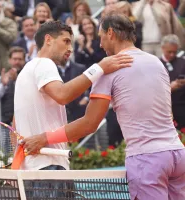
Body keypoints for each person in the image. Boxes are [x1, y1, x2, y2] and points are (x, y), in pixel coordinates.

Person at [23, 14, 185, 200]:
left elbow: (90, 124)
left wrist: (45, 138)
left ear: (110, 33)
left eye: (100, 36)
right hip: (177, 155)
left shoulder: (107, 70)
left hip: (147, 160)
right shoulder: (157, 62)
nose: (100, 44)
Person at [13, 20, 133, 171]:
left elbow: (15, 125)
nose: (70, 48)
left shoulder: (25, 71)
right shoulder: (44, 63)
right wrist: (99, 68)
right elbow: (62, 95)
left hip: (31, 168)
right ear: (48, 40)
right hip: (48, 166)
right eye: (66, 41)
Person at [160, 34, 185, 130]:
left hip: (182, 106)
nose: (172, 55)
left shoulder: (182, 62)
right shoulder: (156, 64)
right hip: (165, 108)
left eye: (174, 52)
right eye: (169, 52)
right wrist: (170, 87)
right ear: (162, 48)